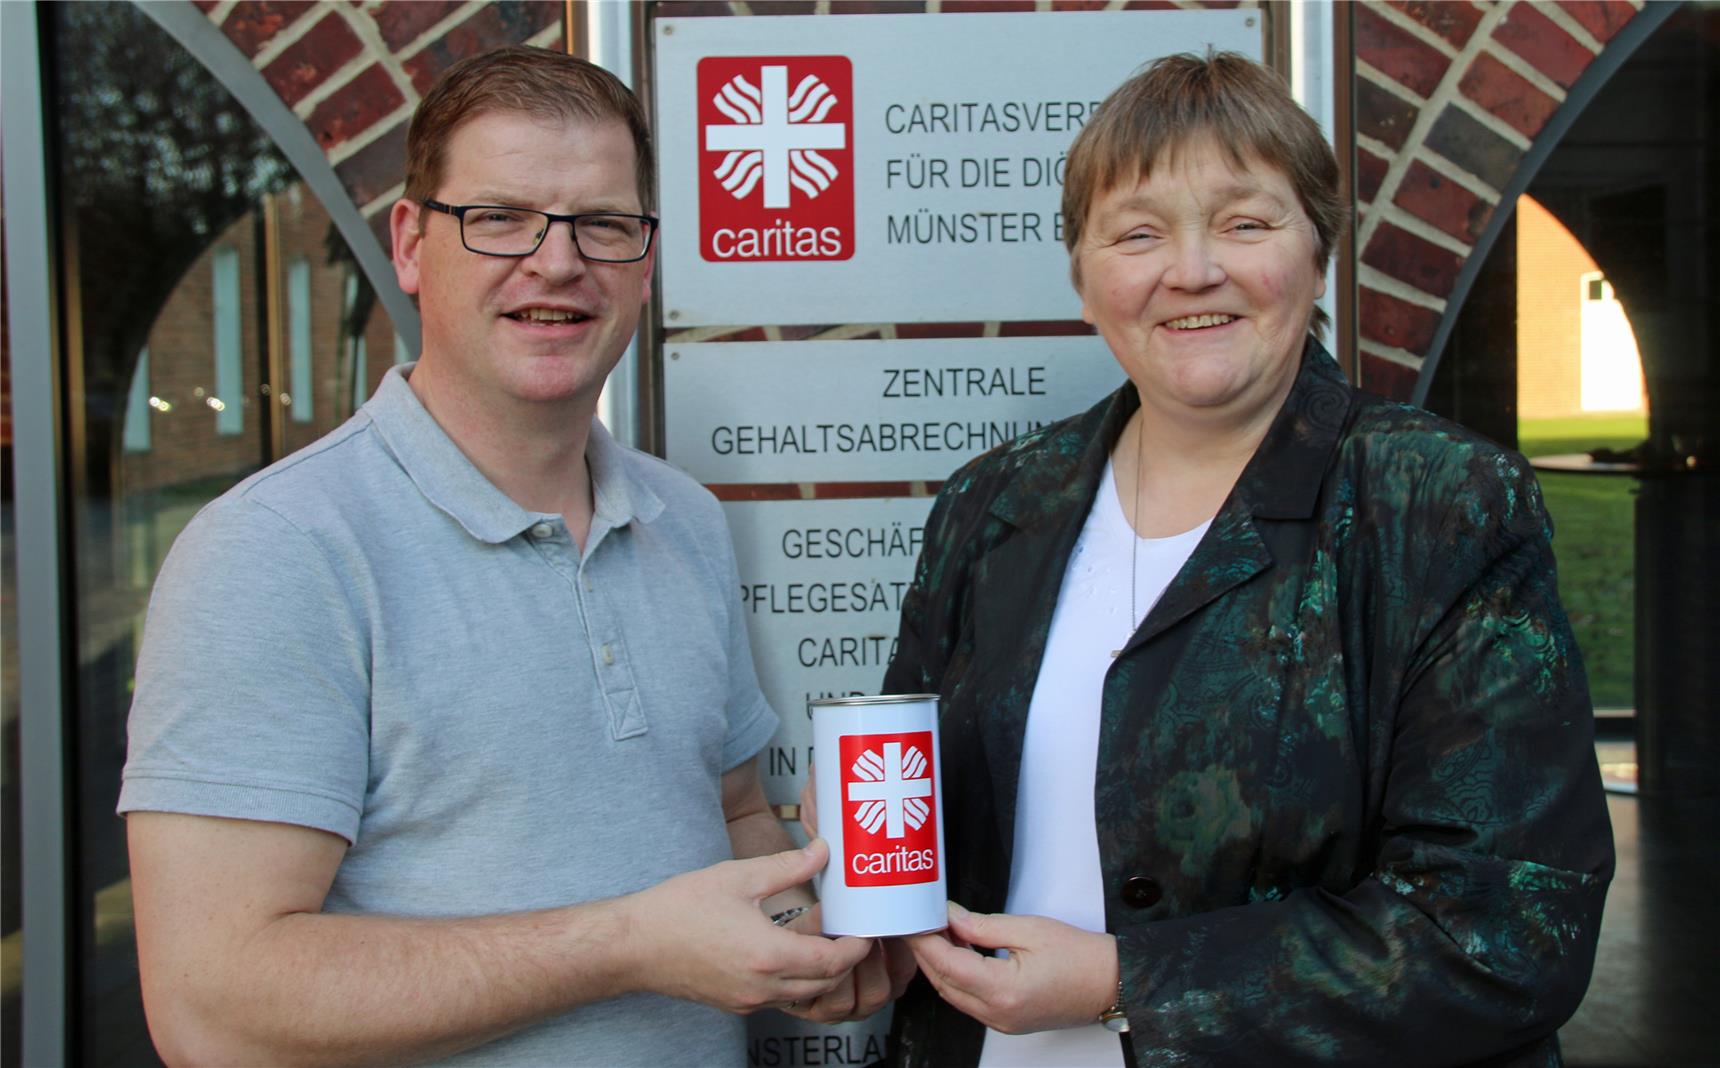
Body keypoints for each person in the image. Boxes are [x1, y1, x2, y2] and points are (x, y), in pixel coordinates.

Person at [118, 46, 907, 1067]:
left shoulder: (683, 521)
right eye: (500, 217)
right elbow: (211, 1010)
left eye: (603, 224)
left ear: (645, 261)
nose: (557, 262)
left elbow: (733, 810)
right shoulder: (277, 551)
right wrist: (627, 945)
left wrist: (812, 940)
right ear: (412, 245)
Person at [880, 52, 1614, 1067]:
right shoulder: (992, 506)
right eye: (1138, 234)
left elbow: (1510, 930)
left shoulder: (1441, 506)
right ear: (1084, 281)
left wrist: (1125, 983)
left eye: (1244, 223)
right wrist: (865, 873)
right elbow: (909, 803)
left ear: (1317, 255)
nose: (1191, 270)